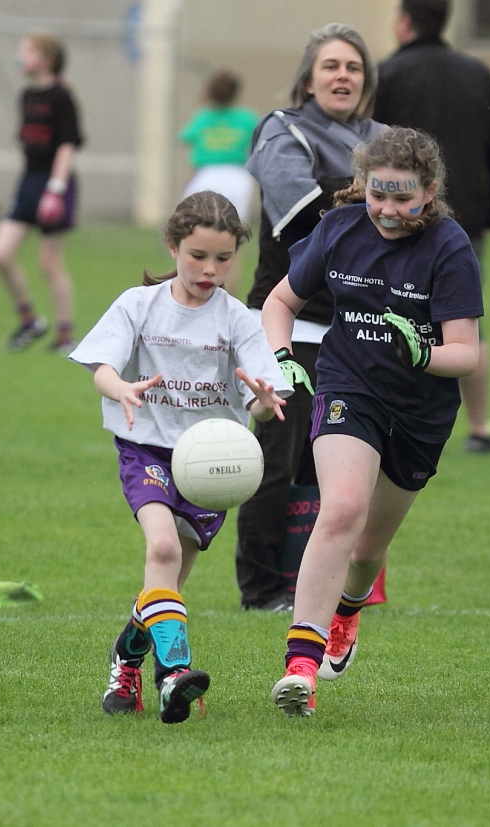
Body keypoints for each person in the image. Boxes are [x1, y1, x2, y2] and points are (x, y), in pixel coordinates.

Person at [264, 127, 482, 717]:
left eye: (401, 197)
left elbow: (467, 352)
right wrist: (282, 358)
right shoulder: (338, 230)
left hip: (421, 410)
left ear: (430, 191)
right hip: (347, 387)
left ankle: (348, 610)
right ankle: (301, 666)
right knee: (341, 509)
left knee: (367, 549)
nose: (386, 210)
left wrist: (422, 355)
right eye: (376, 194)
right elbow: (279, 302)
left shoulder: (450, 246)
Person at [67, 191, 291, 723]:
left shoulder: (240, 320)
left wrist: (262, 403)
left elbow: (263, 406)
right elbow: (99, 365)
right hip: (146, 448)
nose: (209, 269)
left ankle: (126, 661)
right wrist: (118, 386)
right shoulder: (138, 305)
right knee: (162, 548)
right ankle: (174, 675)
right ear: (172, 246)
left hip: (214, 467)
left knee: (163, 588)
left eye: (222, 258)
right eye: (197, 256)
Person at [235, 23, 386, 612]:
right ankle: (260, 586)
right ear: (308, 78)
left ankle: (315, 581)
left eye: (353, 66)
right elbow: (303, 215)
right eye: (331, 66)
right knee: (276, 459)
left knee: (335, 463)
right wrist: (380, 212)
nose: (343, 75)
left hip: (356, 331)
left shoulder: (385, 139)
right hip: (285, 327)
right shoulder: (282, 130)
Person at [374, 0, 490, 455]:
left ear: (403, 22)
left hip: (391, 223)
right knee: (465, 323)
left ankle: (381, 419)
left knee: (380, 319)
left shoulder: (387, 75)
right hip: (464, 223)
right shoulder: (478, 74)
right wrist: (488, 212)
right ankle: (480, 427)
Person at [0, 34, 84, 355]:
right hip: (29, 181)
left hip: (55, 183)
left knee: (49, 263)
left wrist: (54, 192)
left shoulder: (62, 96)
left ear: (45, 59)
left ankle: (65, 335)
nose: (20, 57)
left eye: (26, 52)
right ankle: (30, 320)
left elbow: (67, 146)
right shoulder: (27, 94)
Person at [179, 70, 258, 227]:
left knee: (191, 224)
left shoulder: (203, 117)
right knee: (234, 229)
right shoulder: (247, 118)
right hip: (238, 176)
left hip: (207, 173)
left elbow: (185, 139)